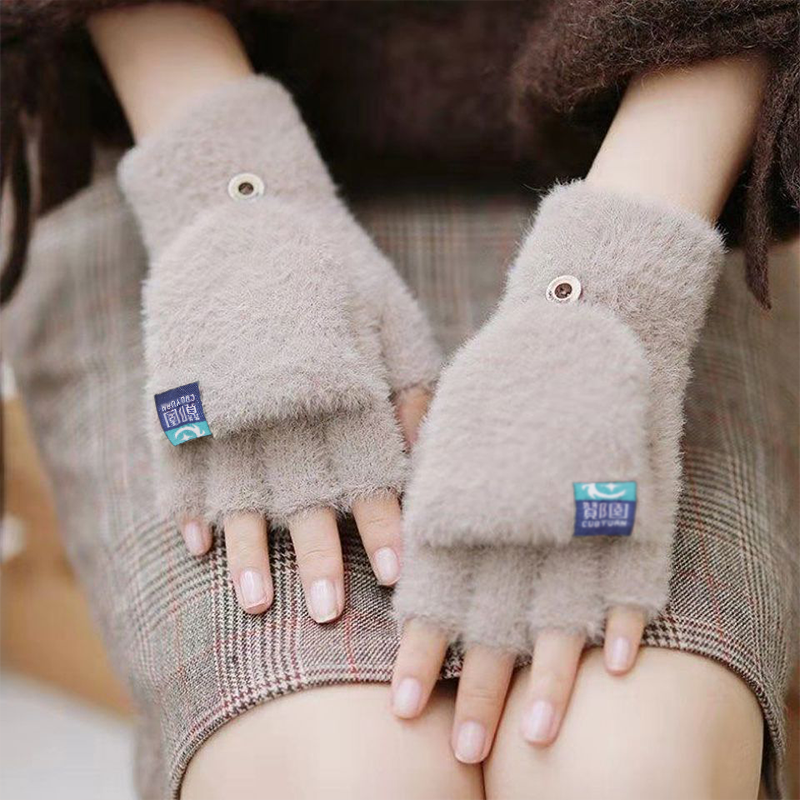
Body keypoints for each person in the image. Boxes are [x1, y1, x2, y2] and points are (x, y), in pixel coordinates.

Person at [2, 3, 797, 798]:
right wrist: (231, 186)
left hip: (673, 155)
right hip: (162, 101)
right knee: (343, 772)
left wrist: (613, 289)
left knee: (630, 762)